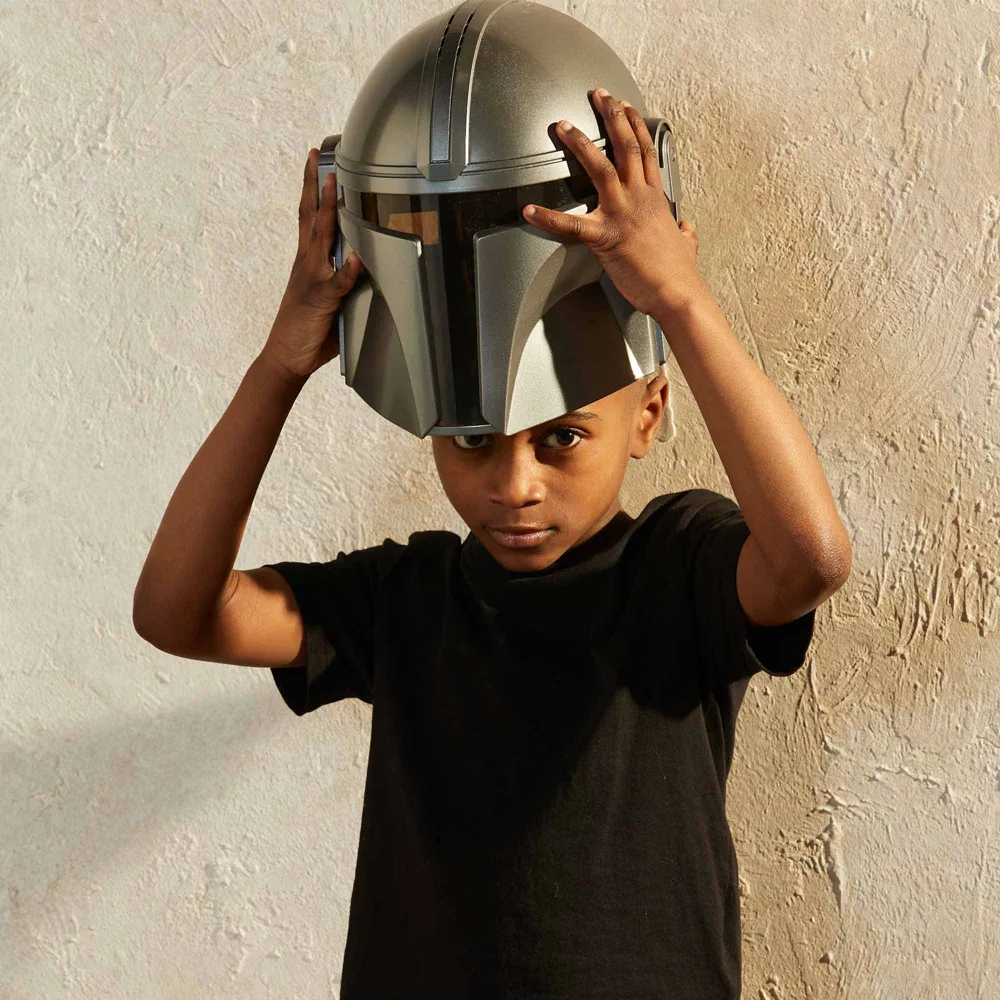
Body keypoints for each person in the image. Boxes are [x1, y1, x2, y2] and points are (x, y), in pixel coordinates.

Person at [133, 88, 852, 999]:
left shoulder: (679, 567)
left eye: (563, 438)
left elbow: (811, 558)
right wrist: (280, 366)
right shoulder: (405, 600)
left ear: (648, 416)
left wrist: (679, 299)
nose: (514, 486)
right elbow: (177, 613)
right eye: (473, 438)